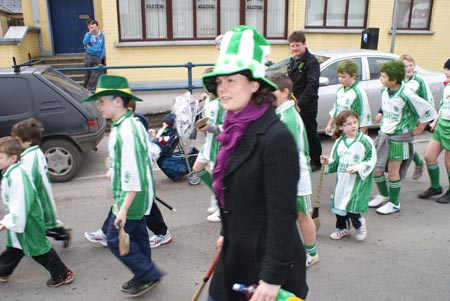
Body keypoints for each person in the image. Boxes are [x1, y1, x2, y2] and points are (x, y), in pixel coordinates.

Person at [202, 25, 308, 301]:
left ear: (254, 84)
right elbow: (233, 196)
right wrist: (228, 233)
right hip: (235, 251)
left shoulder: (276, 137)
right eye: (220, 81)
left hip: (266, 266)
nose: (222, 89)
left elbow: (282, 214)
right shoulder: (233, 129)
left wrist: (272, 279)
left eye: (231, 81)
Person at [83, 75, 163, 297]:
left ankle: (148, 273)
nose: (98, 106)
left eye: (102, 101)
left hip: (132, 196)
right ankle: (145, 274)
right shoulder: (128, 123)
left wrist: (124, 208)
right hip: (135, 193)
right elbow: (139, 157)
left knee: (113, 237)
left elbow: (133, 171)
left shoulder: (126, 130)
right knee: (137, 237)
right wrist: (114, 169)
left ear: (117, 100)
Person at [0, 137, 73, 286]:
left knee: (39, 250)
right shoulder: (10, 171)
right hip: (22, 219)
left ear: (13, 158)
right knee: (16, 247)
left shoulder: (17, 176)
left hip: (28, 220)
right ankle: (3, 270)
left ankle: (63, 274)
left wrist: (7, 222)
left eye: (0, 157)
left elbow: (21, 202)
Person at [368, 60, 437, 215]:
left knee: (393, 172)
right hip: (384, 135)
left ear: (394, 80)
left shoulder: (407, 94)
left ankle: (394, 203)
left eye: (383, 76)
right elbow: (387, 110)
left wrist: (419, 128)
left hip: (399, 138)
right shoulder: (384, 91)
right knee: (376, 169)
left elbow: (429, 111)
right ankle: (384, 195)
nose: (380, 79)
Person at [268, 72, 318, 267]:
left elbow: (284, 152)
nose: (268, 94)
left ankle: (312, 254)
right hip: (286, 175)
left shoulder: (288, 117)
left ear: (285, 92)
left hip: (296, 175)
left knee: (302, 216)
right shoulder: (281, 112)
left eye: (272, 91)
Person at [11, 118, 72, 248]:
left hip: (39, 200)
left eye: (17, 140)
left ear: (28, 140)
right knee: (45, 225)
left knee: (42, 226)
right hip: (41, 198)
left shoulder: (29, 158)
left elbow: (28, 182)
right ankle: (62, 233)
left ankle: (62, 235)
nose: (15, 143)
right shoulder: (34, 153)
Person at [321, 110, 376, 240]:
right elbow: (335, 160)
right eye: (349, 123)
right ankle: (343, 228)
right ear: (341, 127)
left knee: (352, 207)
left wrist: (358, 167)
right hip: (342, 180)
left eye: (355, 122)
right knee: (339, 206)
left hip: (357, 181)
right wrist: (327, 161)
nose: (353, 126)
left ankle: (359, 224)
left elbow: (371, 159)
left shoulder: (365, 140)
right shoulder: (340, 142)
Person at [192, 67, 226, 223]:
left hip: (218, 146)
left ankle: (222, 208)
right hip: (209, 143)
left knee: (220, 180)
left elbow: (227, 127)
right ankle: (216, 197)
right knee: (197, 169)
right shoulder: (209, 100)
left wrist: (210, 127)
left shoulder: (221, 103)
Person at [287, 30, 322, 171]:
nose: (295, 48)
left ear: (305, 44)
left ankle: (316, 160)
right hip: (294, 102)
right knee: (296, 131)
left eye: (297, 45)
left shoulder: (312, 62)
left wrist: (299, 103)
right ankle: (300, 156)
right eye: (292, 46)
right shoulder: (293, 60)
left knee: (309, 132)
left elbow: (312, 85)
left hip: (306, 105)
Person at [417, 58, 450, 204]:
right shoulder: (447, 87)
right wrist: (435, 121)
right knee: (429, 157)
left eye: (448, 70)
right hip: (441, 124)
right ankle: (435, 187)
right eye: (445, 70)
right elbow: (443, 106)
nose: (446, 72)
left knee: (448, 161)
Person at [325, 59, 372, 134]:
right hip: (341, 129)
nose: (340, 79)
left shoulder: (358, 92)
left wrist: (359, 136)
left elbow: (364, 115)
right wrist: (329, 124)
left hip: (353, 132)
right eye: (339, 76)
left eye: (343, 77)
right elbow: (336, 109)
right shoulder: (340, 90)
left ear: (353, 75)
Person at [83, 19, 105, 91]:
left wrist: (100, 57)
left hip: (97, 56)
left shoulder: (102, 35)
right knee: (87, 74)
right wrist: (89, 33)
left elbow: (104, 47)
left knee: (94, 75)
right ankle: (84, 88)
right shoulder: (88, 34)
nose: (92, 29)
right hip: (88, 55)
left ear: (97, 26)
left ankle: (90, 90)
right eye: (90, 27)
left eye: (93, 27)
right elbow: (84, 43)